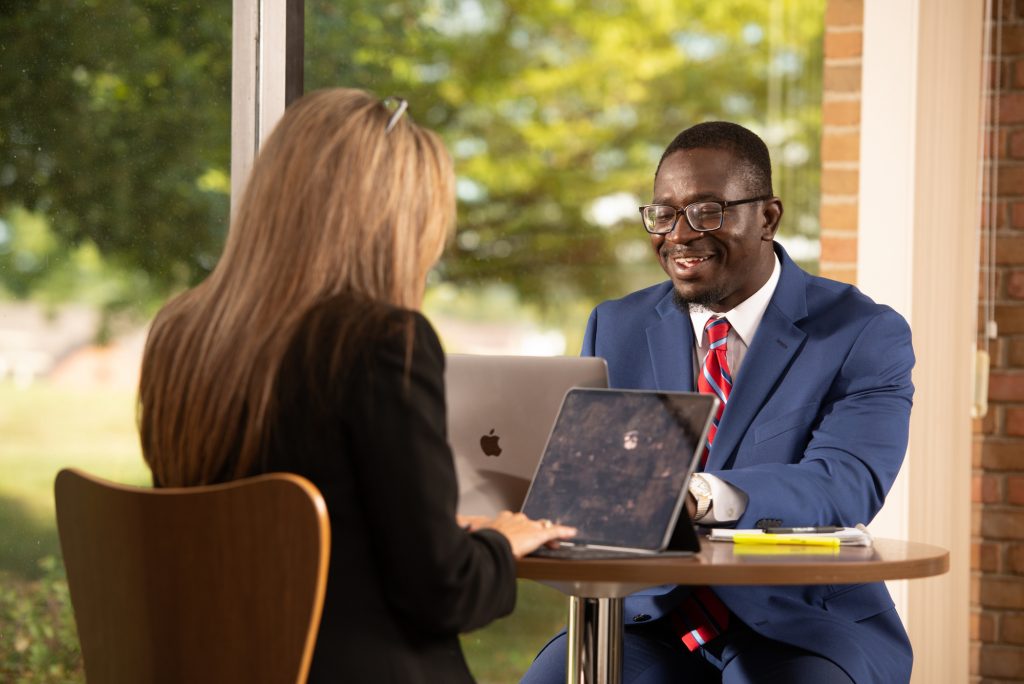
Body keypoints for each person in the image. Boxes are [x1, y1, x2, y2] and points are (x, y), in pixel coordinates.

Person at [137, 88, 575, 684]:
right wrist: (499, 543)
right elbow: (443, 595)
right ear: (392, 222)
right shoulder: (382, 343)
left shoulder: (180, 335)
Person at [522, 121, 914, 684]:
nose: (680, 234)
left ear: (768, 218)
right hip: (644, 618)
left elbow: (844, 482)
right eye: (664, 214)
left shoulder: (861, 332)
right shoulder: (616, 326)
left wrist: (704, 494)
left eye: (707, 211)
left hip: (798, 621)